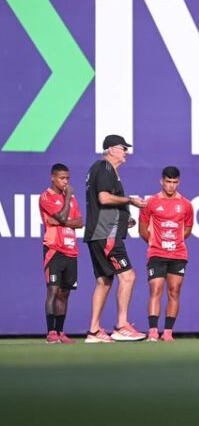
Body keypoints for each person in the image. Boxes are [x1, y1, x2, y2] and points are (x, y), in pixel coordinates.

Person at [84, 135, 147, 343]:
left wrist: (124, 217)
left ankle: (93, 331)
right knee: (128, 277)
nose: (126, 152)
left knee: (104, 281)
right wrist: (131, 200)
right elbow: (103, 197)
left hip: (100, 233)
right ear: (111, 150)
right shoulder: (105, 168)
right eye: (123, 148)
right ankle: (121, 325)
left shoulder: (104, 169)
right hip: (106, 234)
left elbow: (103, 202)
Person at [138, 167, 193, 342]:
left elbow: (189, 228)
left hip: (178, 254)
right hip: (157, 253)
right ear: (161, 181)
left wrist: (174, 242)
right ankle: (153, 330)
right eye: (168, 182)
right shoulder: (151, 202)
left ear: (179, 182)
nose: (171, 186)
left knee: (174, 291)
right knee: (155, 289)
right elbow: (142, 229)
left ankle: (168, 332)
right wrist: (157, 243)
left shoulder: (186, 204)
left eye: (174, 182)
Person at [39, 163, 83, 344]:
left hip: (71, 249)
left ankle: (60, 331)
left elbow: (80, 222)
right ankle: (51, 333)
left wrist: (61, 221)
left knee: (65, 293)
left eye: (67, 178)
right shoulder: (46, 197)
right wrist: (68, 199)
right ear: (53, 178)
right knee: (53, 291)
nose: (65, 182)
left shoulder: (71, 199)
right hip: (54, 249)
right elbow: (65, 217)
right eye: (62, 178)